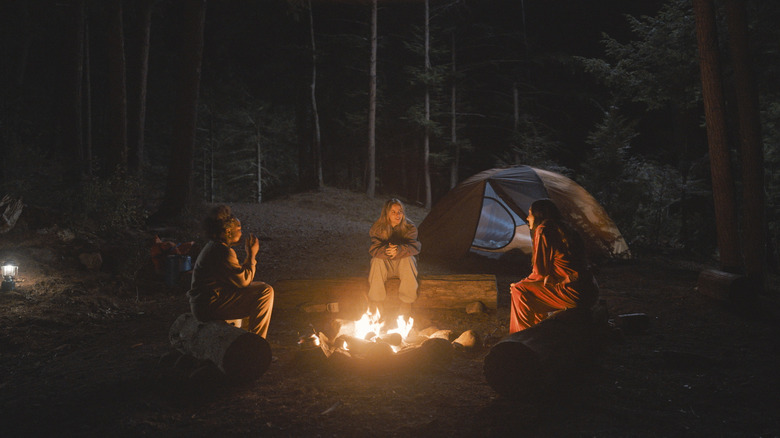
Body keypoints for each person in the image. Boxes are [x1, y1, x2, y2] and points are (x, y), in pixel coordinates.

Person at [509, 198, 598, 333]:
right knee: (535, 289)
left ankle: (520, 338)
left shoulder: (544, 230)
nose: (527, 218)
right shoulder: (565, 229)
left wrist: (519, 284)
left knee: (519, 291)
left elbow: (539, 273)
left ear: (539, 215)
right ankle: (540, 333)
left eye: (530, 213)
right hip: (589, 290)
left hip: (572, 291)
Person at [187, 205, 274, 338]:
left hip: (207, 303)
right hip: (209, 306)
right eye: (238, 228)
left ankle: (244, 338)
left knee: (258, 288)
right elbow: (244, 281)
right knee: (265, 292)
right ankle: (257, 343)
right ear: (228, 231)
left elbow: (238, 280)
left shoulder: (215, 247)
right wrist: (251, 255)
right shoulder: (222, 252)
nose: (240, 232)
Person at [368, 198, 421, 317]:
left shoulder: (409, 227)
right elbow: (373, 249)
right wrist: (388, 251)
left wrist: (399, 250)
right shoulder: (378, 228)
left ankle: (406, 302)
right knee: (376, 260)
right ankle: (376, 302)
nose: (398, 215)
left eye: (400, 211)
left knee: (409, 258)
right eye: (393, 212)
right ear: (386, 213)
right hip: (385, 267)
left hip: (403, 267)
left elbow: (416, 247)